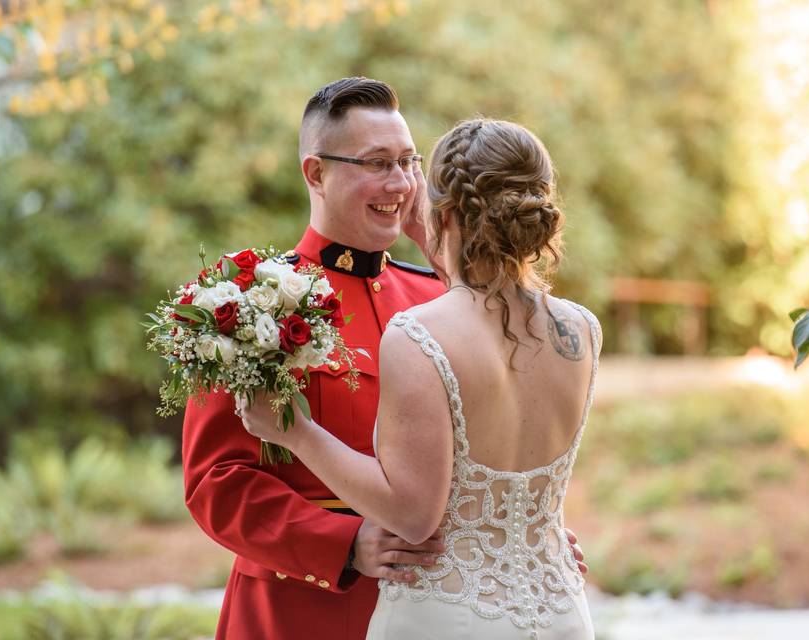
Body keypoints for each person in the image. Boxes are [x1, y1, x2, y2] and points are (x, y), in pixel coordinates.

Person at [182, 79, 587, 640]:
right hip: (300, 610)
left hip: (440, 609)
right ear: (316, 173)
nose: (399, 183)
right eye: (377, 164)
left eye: (408, 162)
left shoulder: (437, 298)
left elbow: (502, 429)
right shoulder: (248, 303)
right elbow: (216, 482)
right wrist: (343, 546)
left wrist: (516, 538)